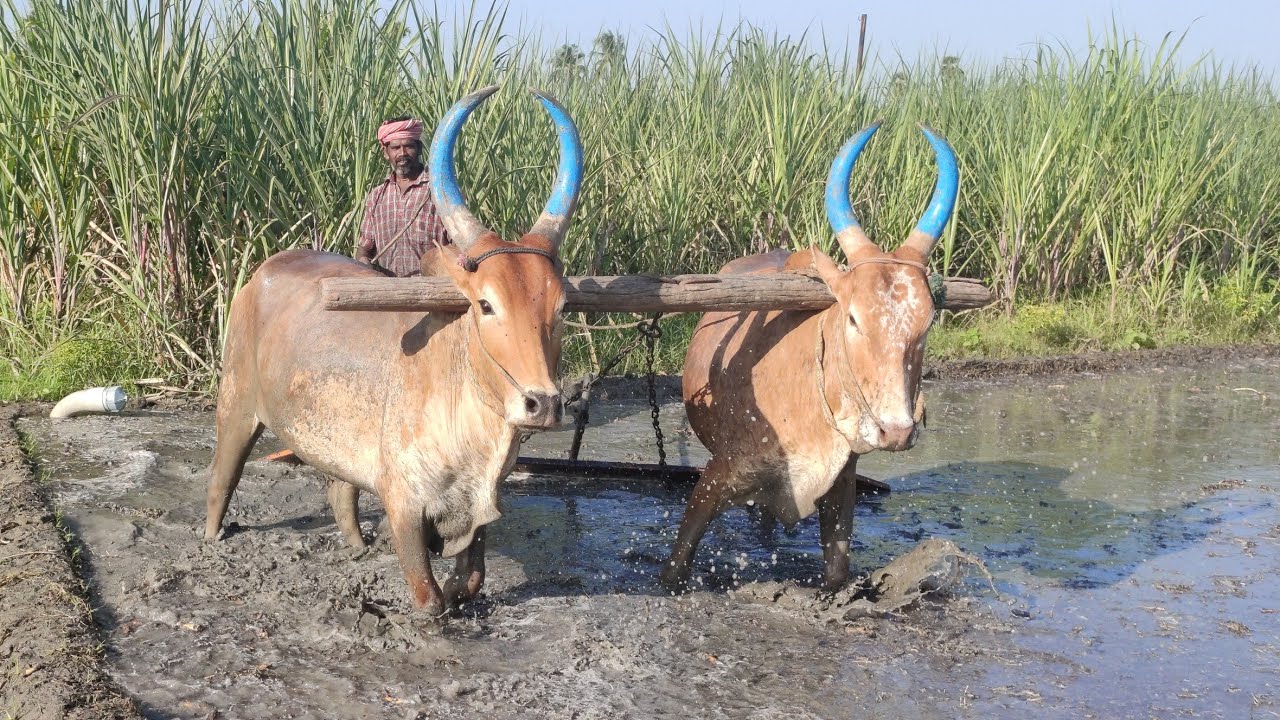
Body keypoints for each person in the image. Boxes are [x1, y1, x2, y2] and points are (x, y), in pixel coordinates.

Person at [355, 116, 452, 276]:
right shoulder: (377, 196)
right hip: (387, 291)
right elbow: (365, 248)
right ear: (385, 152)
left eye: (408, 146)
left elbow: (459, 245)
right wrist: (364, 262)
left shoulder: (441, 190)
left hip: (433, 292)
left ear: (419, 148)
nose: (402, 153)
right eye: (395, 148)